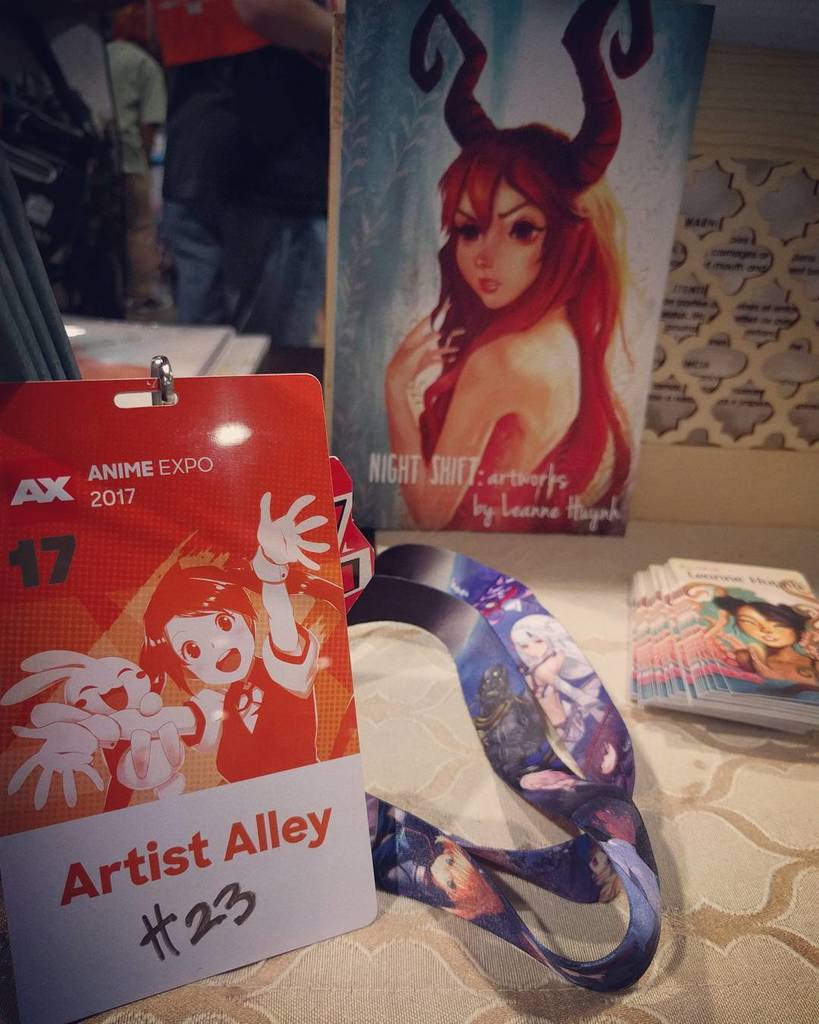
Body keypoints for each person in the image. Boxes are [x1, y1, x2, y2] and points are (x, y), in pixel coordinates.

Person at [385, 0, 653, 530]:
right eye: (468, 229)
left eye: (522, 229)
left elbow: (430, 512)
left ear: (567, 236)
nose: (484, 256)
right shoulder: (564, 334)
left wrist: (396, 388)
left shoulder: (501, 360)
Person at [151, 0, 331, 346]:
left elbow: (155, 32)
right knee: (268, 358)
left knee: (204, 352)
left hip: (193, 146)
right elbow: (264, 7)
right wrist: (350, 40)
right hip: (269, 158)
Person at [139, 492, 330, 786]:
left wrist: (272, 574)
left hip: (308, 800)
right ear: (183, 665)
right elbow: (185, 723)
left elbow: (283, 630)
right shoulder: (225, 701)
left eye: (224, 622)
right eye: (191, 649)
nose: (217, 645)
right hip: (243, 809)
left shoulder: (280, 672)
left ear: (246, 615)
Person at [106, 3, 168, 313]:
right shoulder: (146, 65)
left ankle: (107, 290)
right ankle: (142, 293)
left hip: (99, 158)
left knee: (105, 227)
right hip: (131, 158)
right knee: (140, 227)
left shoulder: (102, 54)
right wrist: (143, 159)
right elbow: (149, 122)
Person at [712, 596, 819, 685]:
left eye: (777, 624)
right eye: (750, 622)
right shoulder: (748, 659)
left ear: (796, 627)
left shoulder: (814, 663)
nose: (765, 630)